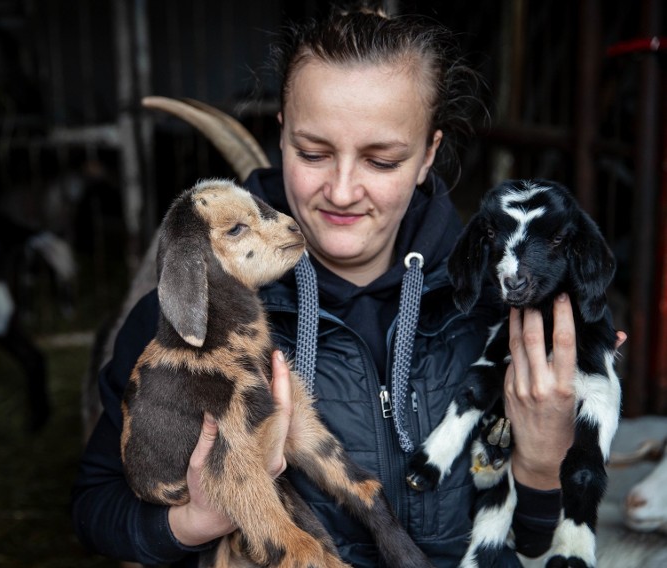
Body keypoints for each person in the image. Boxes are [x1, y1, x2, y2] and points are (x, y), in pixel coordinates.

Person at [72, 5, 613, 567]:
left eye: (382, 160)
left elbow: (529, 543)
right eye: (313, 153)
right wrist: (196, 521)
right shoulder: (191, 311)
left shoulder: (497, 309)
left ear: (428, 153)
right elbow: (95, 509)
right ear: (281, 133)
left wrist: (544, 460)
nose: (343, 190)